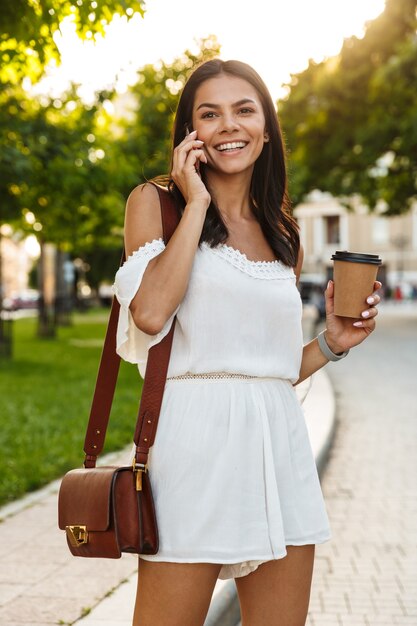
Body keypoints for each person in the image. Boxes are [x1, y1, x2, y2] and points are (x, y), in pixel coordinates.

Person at [113, 59, 381, 626]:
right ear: (191, 132)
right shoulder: (155, 204)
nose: (228, 125)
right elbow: (152, 311)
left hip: (279, 446)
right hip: (194, 445)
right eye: (209, 113)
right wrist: (198, 206)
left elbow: (274, 369)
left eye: (244, 110)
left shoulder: (283, 230)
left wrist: (332, 343)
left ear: (265, 128)